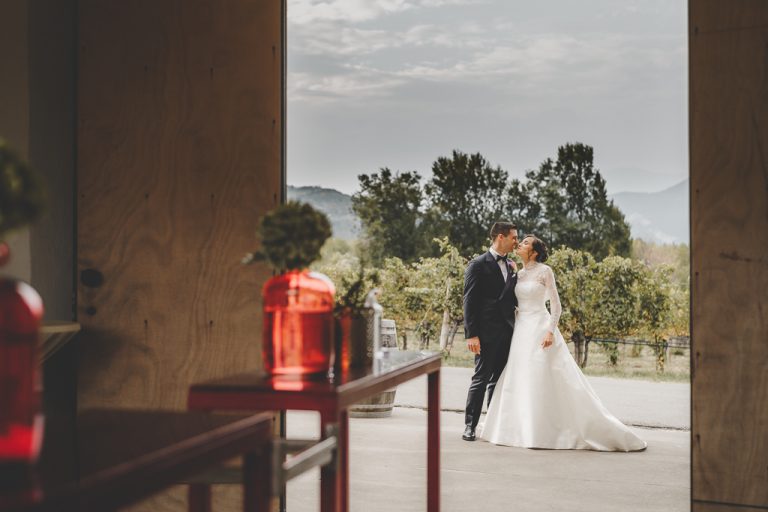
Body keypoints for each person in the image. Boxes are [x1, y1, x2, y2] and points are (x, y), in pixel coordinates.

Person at [479, 234, 647, 451]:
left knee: (543, 375)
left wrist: (550, 331)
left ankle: (552, 429)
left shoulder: (545, 271)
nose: (520, 244)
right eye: (521, 241)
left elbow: (556, 307)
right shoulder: (517, 274)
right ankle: (521, 427)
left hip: (540, 328)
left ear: (535, 252)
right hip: (521, 331)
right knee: (521, 376)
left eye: (526, 243)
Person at [461, 221, 519, 441]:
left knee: (499, 380)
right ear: (500, 237)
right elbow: (469, 301)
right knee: (481, 378)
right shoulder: (477, 264)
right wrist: (471, 334)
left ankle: (494, 424)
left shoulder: (512, 265)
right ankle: (470, 425)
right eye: (513, 237)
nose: (516, 241)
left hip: (509, 331)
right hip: (485, 333)